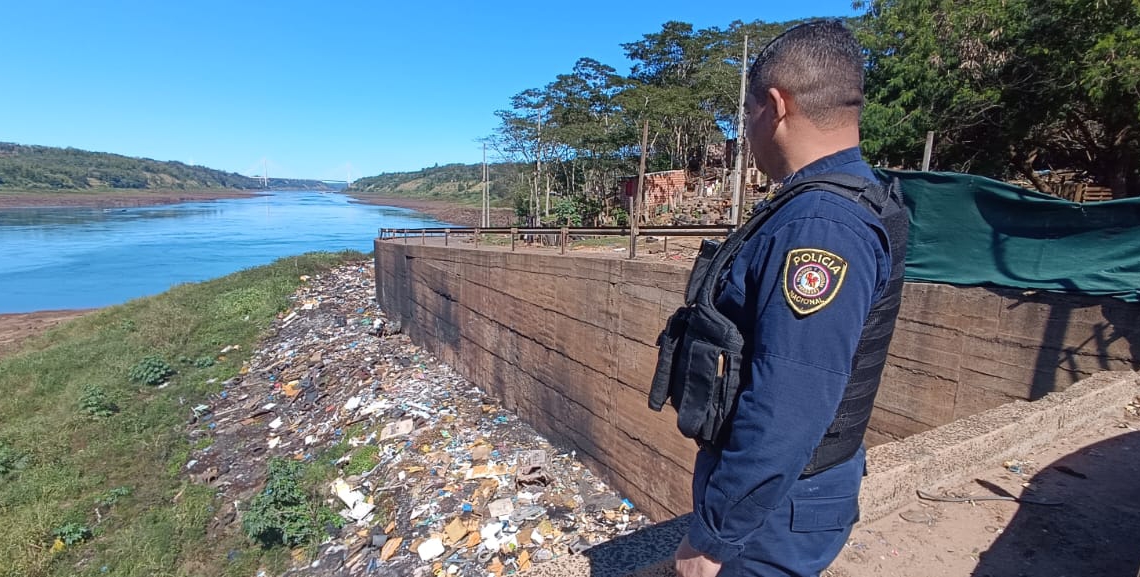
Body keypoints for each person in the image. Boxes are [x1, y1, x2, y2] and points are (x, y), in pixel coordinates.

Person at [674, 20, 907, 577]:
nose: (748, 128)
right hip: (791, 495)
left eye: (747, 112)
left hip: (774, 512)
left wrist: (712, 538)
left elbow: (789, 403)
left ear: (775, 106)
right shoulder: (841, 202)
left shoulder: (819, 226)